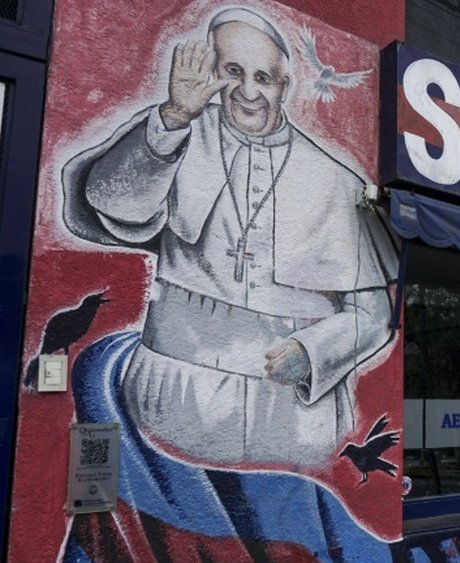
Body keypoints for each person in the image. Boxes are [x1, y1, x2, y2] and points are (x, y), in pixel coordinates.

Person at [62, 7, 397, 467]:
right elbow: (113, 205)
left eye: (263, 77)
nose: (247, 91)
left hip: (294, 413)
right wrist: (175, 116)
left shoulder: (334, 178)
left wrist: (314, 351)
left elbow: (374, 314)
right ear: (213, 72)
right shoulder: (175, 132)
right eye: (233, 71)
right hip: (172, 391)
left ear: (284, 86)